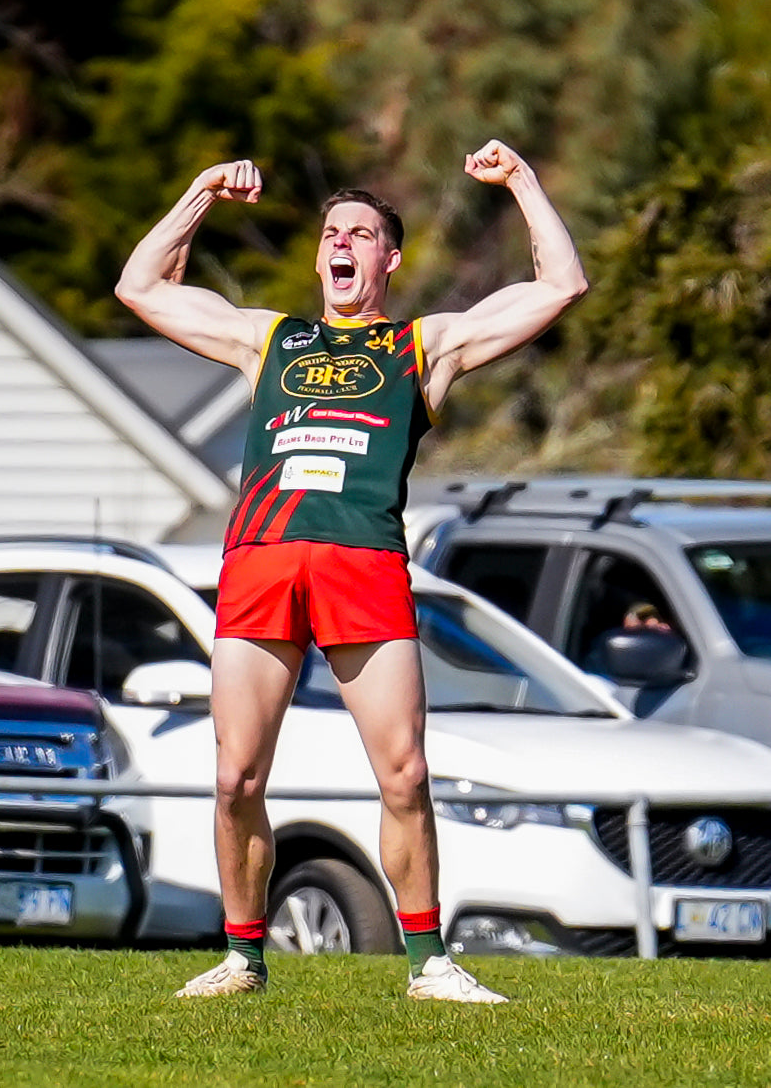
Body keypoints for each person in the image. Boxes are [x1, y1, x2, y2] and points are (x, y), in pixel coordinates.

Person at [116, 140, 588, 1003]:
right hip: (261, 560)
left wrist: (521, 177)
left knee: (403, 772)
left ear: (387, 256)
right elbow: (139, 287)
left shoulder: (421, 346)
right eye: (331, 230)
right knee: (234, 776)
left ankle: (428, 963)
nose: (340, 241)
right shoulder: (272, 340)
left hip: (362, 563)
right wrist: (200, 191)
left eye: (360, 232)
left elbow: (560, 284)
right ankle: (242, 957)